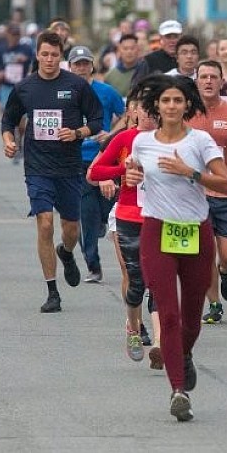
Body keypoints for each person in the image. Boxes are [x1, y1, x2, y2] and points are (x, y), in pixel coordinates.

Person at [123, 74, 227, 421]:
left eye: (177, 100)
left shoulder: (200, 141)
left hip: (196, 231)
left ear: (187, 106)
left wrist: (190, 172)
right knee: (168, 315)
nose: (171, 106)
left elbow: (225, 183)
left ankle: (184, 355)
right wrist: (131, 176)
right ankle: (178, 390)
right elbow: (133, 173)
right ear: (156, 105)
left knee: (192, 318)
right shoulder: (142, 142)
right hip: (157, 231)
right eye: (166, 100)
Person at [1, 30, 103, 313]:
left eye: (54, 55)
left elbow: (97, 120)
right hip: (37, 167)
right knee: (45, 223)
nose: (49, 60)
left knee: (71, 229)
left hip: (69, 167)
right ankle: (52, 291)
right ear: (37, 55)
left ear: (61, 57)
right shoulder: (25, 88)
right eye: (44, 54)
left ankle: (66, 252)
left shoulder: (76, 85)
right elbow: (8, 121)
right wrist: (8, 141)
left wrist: (77, 132)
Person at [87, 88, 161, 365]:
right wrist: (122, 171)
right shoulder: (124, 139)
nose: (150, 114)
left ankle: (159, 342)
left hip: (162, 217)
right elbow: (95, 172)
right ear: (134, 112)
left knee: (159, 279)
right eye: (145, 108)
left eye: (155, 108)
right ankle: (133, 326)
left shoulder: (171, 140)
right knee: (134, 277)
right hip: (129, 215)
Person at [189, 60, 227, 324]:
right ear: (196, 81)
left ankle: (226, 271)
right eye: (203, 76)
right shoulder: (185, 113)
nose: (208, 81)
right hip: (194, 194)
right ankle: (214, 304)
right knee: (203, 253)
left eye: (213, 77)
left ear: (222, 81)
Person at [68, 45, 125, 283]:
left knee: (107, 208)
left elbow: (126, 116)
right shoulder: (64, 92)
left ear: (92, 66)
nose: (82, 68)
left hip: (105, 158)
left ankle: (103, 221)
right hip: (76, 159)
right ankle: (93, 265)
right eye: (77, 64)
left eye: (85, 64)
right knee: (86, 213)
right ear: (70, 67)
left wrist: (111, 135)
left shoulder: (106, 91)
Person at [0, 22, 35, 111]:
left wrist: (27, 59)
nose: (15, 37)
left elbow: (36, 62)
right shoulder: (1, 50)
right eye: (13, 34)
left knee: (22, 113)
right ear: (7, 34)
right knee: (7, 113)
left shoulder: (26, 49)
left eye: (17, 34)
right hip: (6, 86)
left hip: (23, 86)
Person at [104, 33, 149, 98]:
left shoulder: (146, 71)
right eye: (125, 48)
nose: (129, 52)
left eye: (132, 48)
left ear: (138, 49)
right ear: (119, 50)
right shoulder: (109, 76)